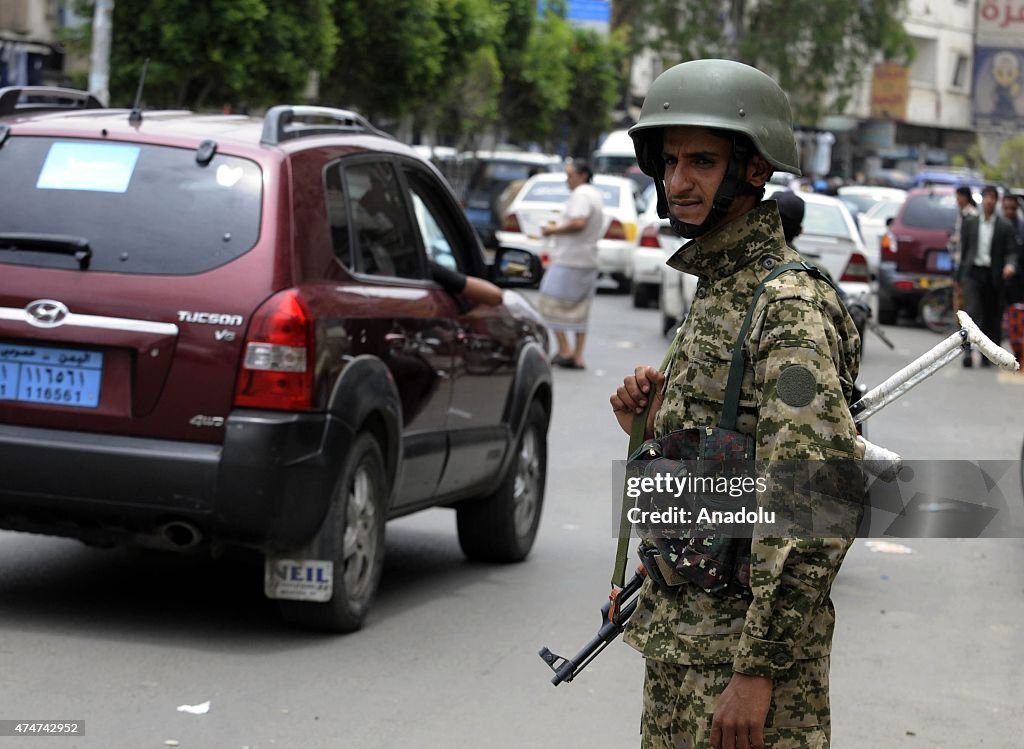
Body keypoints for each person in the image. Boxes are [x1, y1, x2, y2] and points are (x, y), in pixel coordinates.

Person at [609, 59, 862, 748]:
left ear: (753, 169)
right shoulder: (720, 287)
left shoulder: (786, 306)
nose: (678, 181)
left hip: (741, 680)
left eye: (701, 160)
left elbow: (819, 494)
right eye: (669, 161)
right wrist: (651, 426)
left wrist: (756, 671)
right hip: (682, 651)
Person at [536, 159, 604, 369]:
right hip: (586, 259)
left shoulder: (581, 194)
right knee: (580, 308)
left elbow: (578, 222)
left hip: (571, 259)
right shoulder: (593, 194)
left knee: (548, 300)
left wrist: (552, 230)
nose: (568, 180)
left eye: (570, 175)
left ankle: (566, 350)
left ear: (582, 175)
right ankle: (577, 355)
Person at [957, 186, 1018, 368]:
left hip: (993, 275)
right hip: (973, 273)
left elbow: (1011, 251)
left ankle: (987, 356)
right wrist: (960, 276)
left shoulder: (1004, 226)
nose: (990, 201)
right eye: (987, 197)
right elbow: (965, 251)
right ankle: (967, 353)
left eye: (993, 198)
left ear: (996, 201)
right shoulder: (970, 223)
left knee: (992, 316)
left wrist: (1010, 266)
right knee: (972, 313)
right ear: (983, 200)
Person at [1000, 193, 1024, 368]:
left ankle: (1019, 355)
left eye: (1012, 208)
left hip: (1018, 282)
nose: (1009, 211)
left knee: (1017, 321)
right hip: (998, 280)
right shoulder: (997, 226)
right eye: (1006, 208)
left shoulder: (1021, 228)